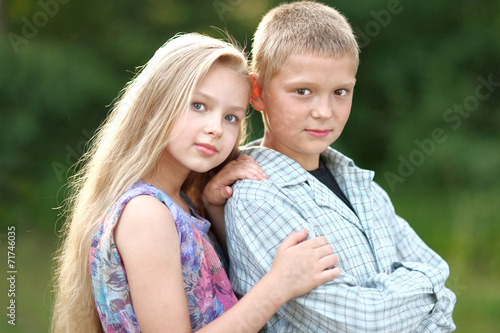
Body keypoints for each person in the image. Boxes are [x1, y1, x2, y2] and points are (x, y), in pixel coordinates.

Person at [51, 33, 341, 333]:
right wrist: (278, 286)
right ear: (155, 105)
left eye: (231, 117)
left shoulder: (180, 204)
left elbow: (218, 292)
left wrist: (213, 207)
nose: (216, 128)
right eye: (199, 105)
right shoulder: (145, 214)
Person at [224, 2, 457, 332]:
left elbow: (443, 292)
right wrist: (430, 287)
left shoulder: (362, 186)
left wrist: (432, 287)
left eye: (340, 92)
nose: (324, 111)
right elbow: (363, 323)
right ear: (258, 92)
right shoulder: (258, 198)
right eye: (302, 91)